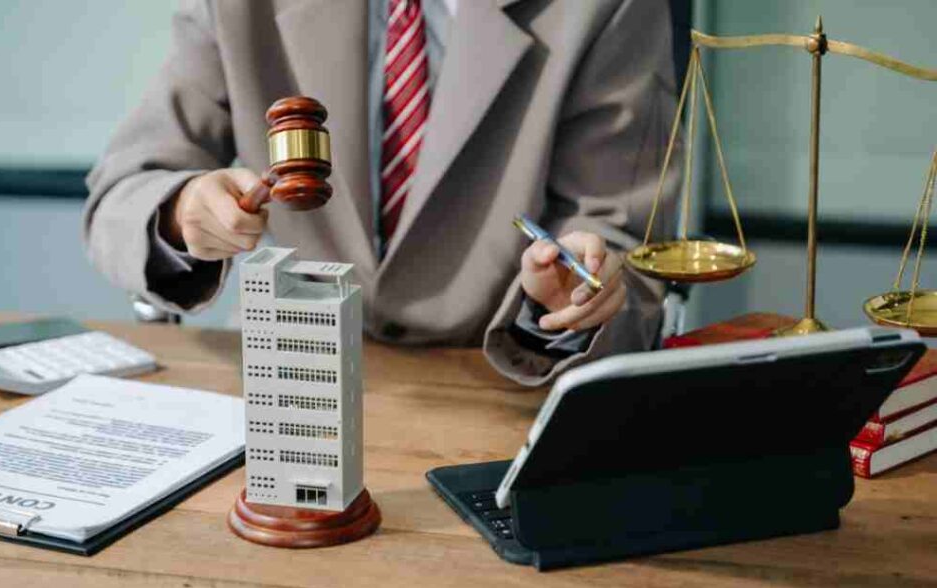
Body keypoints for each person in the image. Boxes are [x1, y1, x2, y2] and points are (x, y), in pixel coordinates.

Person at [85, 0, 682, 386]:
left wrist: (566, 304)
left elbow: (625, 249)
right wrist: (181, 211)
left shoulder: (606, 8)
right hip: (283, 380)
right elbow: (122, 192)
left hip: (493, 387)